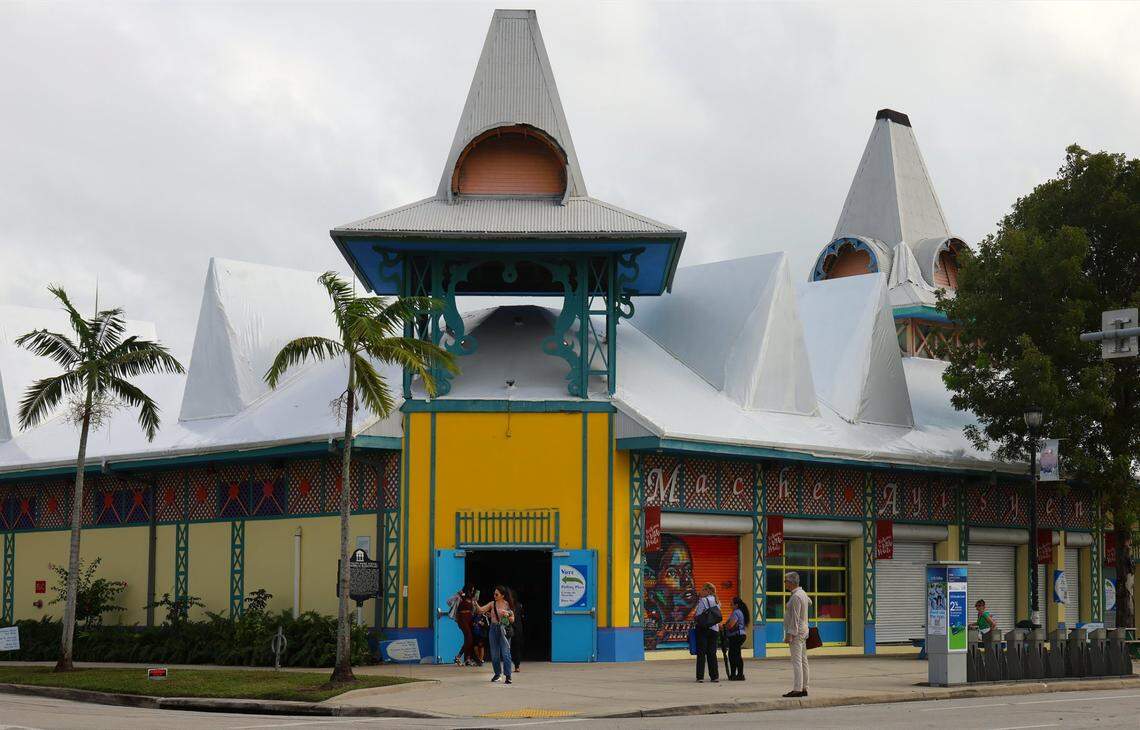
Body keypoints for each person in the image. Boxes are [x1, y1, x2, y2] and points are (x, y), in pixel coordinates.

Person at [476, 585, 516, 684]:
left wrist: (507, 614)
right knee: (494, 654)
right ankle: (497, 674)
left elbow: (512, 620)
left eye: (496, 594)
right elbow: (481, 610)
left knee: (506, 653)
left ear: (502, 595)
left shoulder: (508, 605)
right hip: (493, 629)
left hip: (504, 629)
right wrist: (475, 603)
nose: (494, 595)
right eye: (494, 593)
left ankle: (508, 676)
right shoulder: (492, 604)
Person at [782, 571, 811, 698]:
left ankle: (797, 689)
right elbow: (809, 602)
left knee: (797, 661)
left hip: (797, 632)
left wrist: (790, 634)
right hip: (803, 630)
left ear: (791, 582)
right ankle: (804, 687)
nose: (784, 583)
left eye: (786, 581)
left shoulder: (796, 596)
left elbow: (795, 617)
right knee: (803, 660)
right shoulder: (802, 593)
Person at [694, 582, 721, 683]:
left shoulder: (703, 601)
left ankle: (700, 677)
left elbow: (698, 614)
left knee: (701, 653)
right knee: (712, 653)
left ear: (707, 591)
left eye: (703, 590)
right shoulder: (717, 601)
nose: (701, 591)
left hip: (703, 629)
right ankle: (714, 676)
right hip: (714, 629)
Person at [724, 596, 749, 681]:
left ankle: (735, 674)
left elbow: (731, 625)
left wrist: (724, 627)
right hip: (741, 635)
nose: (730, 604)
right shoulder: (741, 612)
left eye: (732, 603)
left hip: (736, 636)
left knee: (733, 655)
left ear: (736, 605)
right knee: (737, 655)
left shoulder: (736, 612)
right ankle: (739, 674)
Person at [453, 585, 478, 666]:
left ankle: (467, 658)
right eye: (471, 590)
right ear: (467, 590)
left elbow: (474, 610)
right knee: (469, 638)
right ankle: (458, 656)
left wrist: (475, 602)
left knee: (468, 638)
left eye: (473, 590)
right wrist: (457, 595)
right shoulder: (461, 597)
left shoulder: (472, 598)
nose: (472, 592)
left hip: (470, 619)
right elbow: (449, 602)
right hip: (462, 619)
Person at [509, 591, 525, 673]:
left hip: (516, 628)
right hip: (510, 628)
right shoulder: (507, 605)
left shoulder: (518, 605)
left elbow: (522, 616)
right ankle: (510, 665)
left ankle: (517, 665)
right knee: (509, 648)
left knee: (516, 647)